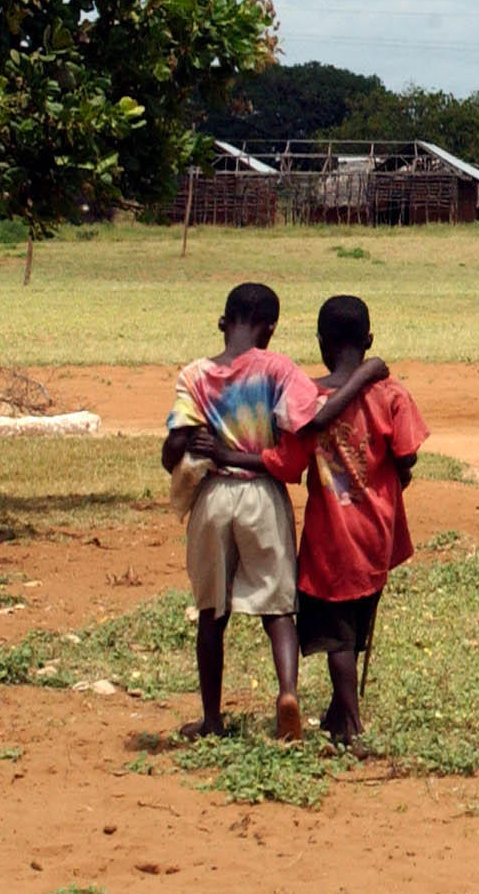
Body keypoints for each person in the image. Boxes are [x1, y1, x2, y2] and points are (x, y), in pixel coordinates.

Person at [161, 281, 389, 741]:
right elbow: (314, 421)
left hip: (214, 497)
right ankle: (287, 693)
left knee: (211, 612)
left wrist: (207, 445)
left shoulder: (194, 375)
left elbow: (173, 449)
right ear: (271, 330)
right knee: (279, 608)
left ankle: (212, 718)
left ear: (223, 324)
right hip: (263, 494)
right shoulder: (281, 370)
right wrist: (367, 373)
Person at [241, 295, 427, 745]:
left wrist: (242, 457)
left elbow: (286, 466)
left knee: (338, 638)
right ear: (368, 341)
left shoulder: (308, 398)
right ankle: (338, 710)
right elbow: (408, 456)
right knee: (356, 618)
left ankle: (350, 723)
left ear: (322, 343)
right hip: (378, 531)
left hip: (331, 537)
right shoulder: (392, 394)